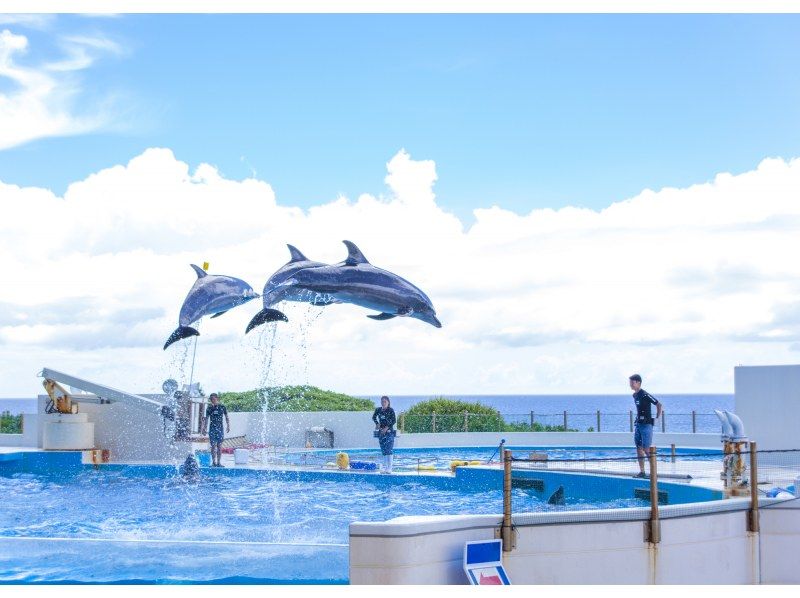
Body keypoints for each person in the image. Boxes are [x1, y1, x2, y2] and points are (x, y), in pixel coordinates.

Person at [629, 374, 663, 478]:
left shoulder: (644, 394)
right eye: (630, 382)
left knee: (646, 448)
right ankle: (642, 471)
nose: (630, 384)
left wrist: (657, 418)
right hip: (638, 424)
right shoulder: (635, 395)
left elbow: (658, 404)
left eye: (632, 382)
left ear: (638, 382)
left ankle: (653, 473)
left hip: (646, 425)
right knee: (638, 447)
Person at [203, 393, 230, 467]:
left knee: (219, 446)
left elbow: (226, 416)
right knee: (213, 446)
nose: (212, 401)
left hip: (220, 429)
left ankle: (219, 462)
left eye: (214, 399)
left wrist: (228, 425)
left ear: (217, 399)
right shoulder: (209, 408)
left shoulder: (222, 407)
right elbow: (206, 419)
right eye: (211, 399)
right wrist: (204, 428)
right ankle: (213, 462)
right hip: (212, 429)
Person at [372, 396, 396, 474]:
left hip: (389, 432)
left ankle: (390, 468)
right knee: (384, 450)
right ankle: (385, 467)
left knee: (389, 449)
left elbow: (394, 420)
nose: (383, 403)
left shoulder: (390, 410)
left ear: (388, 402)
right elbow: (374, 417)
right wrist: (377, 423)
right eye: (382, 401)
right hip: (381, 432)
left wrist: (387, 427)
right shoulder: (378, 410)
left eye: (385, 401)